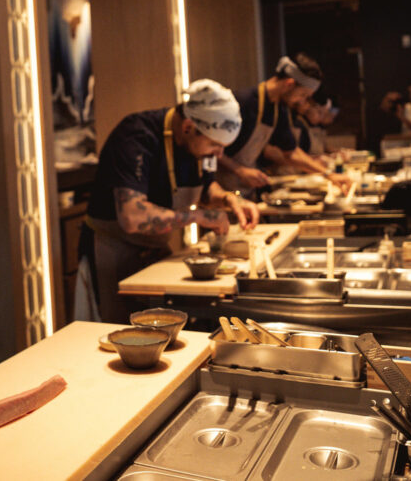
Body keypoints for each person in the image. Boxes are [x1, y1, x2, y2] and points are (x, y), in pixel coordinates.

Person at [73, 79, 260, 323]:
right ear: (188, 127)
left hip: (155, 252)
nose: (219, 154)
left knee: (159, 326)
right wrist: (199, 217)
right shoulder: (135, 136)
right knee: (115, 332)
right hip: (111, 251)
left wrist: (228, 199)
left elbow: (205, 187)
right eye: (214, 144)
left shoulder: (199, 145)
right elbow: (133, 217)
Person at [216, 54, 351, 191]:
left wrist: (329, 174)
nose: (302, 101)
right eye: (303, 95)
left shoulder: (278, 109)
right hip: (220, 187)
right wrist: (239, 170)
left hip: (245, 188)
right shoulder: (243, 101)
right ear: (289, 84)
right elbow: (212, 148)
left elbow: (291, 153)